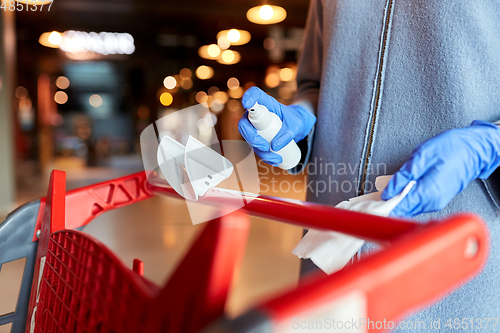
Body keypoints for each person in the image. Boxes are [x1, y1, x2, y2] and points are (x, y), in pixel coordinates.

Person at [239, 0, 500, 331]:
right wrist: (297, 124)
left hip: (456, 268)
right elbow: (315, 81)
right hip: (330, 256)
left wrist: (491, 147)